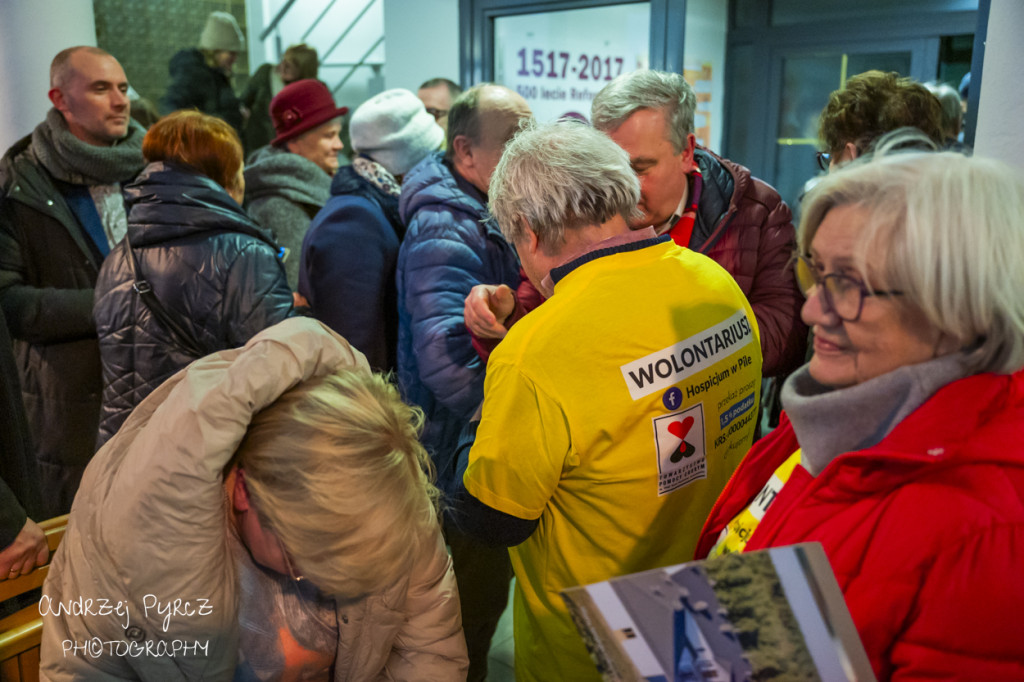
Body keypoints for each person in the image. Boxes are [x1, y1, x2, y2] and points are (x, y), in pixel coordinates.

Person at [449, 120, 763, 682]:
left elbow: (492, 517)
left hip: (593, 647)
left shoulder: (535, 354)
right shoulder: (716, 284)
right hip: (712, 613)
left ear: (529, 231)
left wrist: (497, 385)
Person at [694, 147, 1024, 680]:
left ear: (959, 305)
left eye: (847, 284)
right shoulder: (837, 407)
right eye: (815, 272)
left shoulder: (991, 533)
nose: (810, 310)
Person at [40, 317, 469, 680]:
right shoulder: (126, 526)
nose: (314, 581)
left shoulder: (382, 491)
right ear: (243, 489)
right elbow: (79, 669)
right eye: (303, 561)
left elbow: (430, 648)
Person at [465, 69, 806, 382]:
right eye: (609, 167)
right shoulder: (583, 208)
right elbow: (538, 336)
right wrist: (505, 318)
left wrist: (652, 343)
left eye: (640, 168)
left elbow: (783, 341)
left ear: (686, 151)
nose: (625, 187)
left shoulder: (756, 209)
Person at [396, 82, 530, 681]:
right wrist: (504, 422)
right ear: (465, 152)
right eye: (514, 140)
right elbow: (448, 360)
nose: (529, 151)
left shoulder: (486, 211)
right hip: (457, 454)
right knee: (462, 619)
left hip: (468, 449)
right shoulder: (447, 227)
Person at [0, 46, 145, 516]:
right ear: (60, 99)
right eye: (101, 88)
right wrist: (113, 302)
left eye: (122, 88)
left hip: (159, 391)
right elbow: (9, 304)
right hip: (70, 408)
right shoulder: (20, 182)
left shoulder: (156, 171)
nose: (120, 100)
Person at [93, 110, 293, 448]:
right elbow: (278, 371)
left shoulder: (118, 256)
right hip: (200, 456)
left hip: (120, 453)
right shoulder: (243, 254)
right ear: (227, 176)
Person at [299, 89, 443, 372]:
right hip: (366, 404)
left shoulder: (378, 207)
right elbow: (353, 348)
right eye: (432, 155)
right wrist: (379, 412)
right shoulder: (352, 223)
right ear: (407, 161)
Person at [244, 79, 348, 290]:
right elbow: (293, 293)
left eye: (338, 134)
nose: (339, 145)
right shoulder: (280, 207)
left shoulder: (306, 187)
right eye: (329, 136)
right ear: (294, 142)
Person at [818, 70, 944, 169]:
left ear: (850, 157)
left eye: (829, 157)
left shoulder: (832, 200)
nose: (829, 168)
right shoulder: (951, 197)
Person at [160, 11, 245, 133]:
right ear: (215, 50)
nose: (235, 59)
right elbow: (171, 109)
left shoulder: (217, 76)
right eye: (231, 53)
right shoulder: (194, 73)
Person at [241, 43, 319, 154]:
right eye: (283, 61)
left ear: (303, 70)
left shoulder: (312, 90)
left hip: (291, 151)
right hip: (259, 147)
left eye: (289, 66)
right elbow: (244, 102)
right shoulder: (266, 73)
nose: (282, 67)